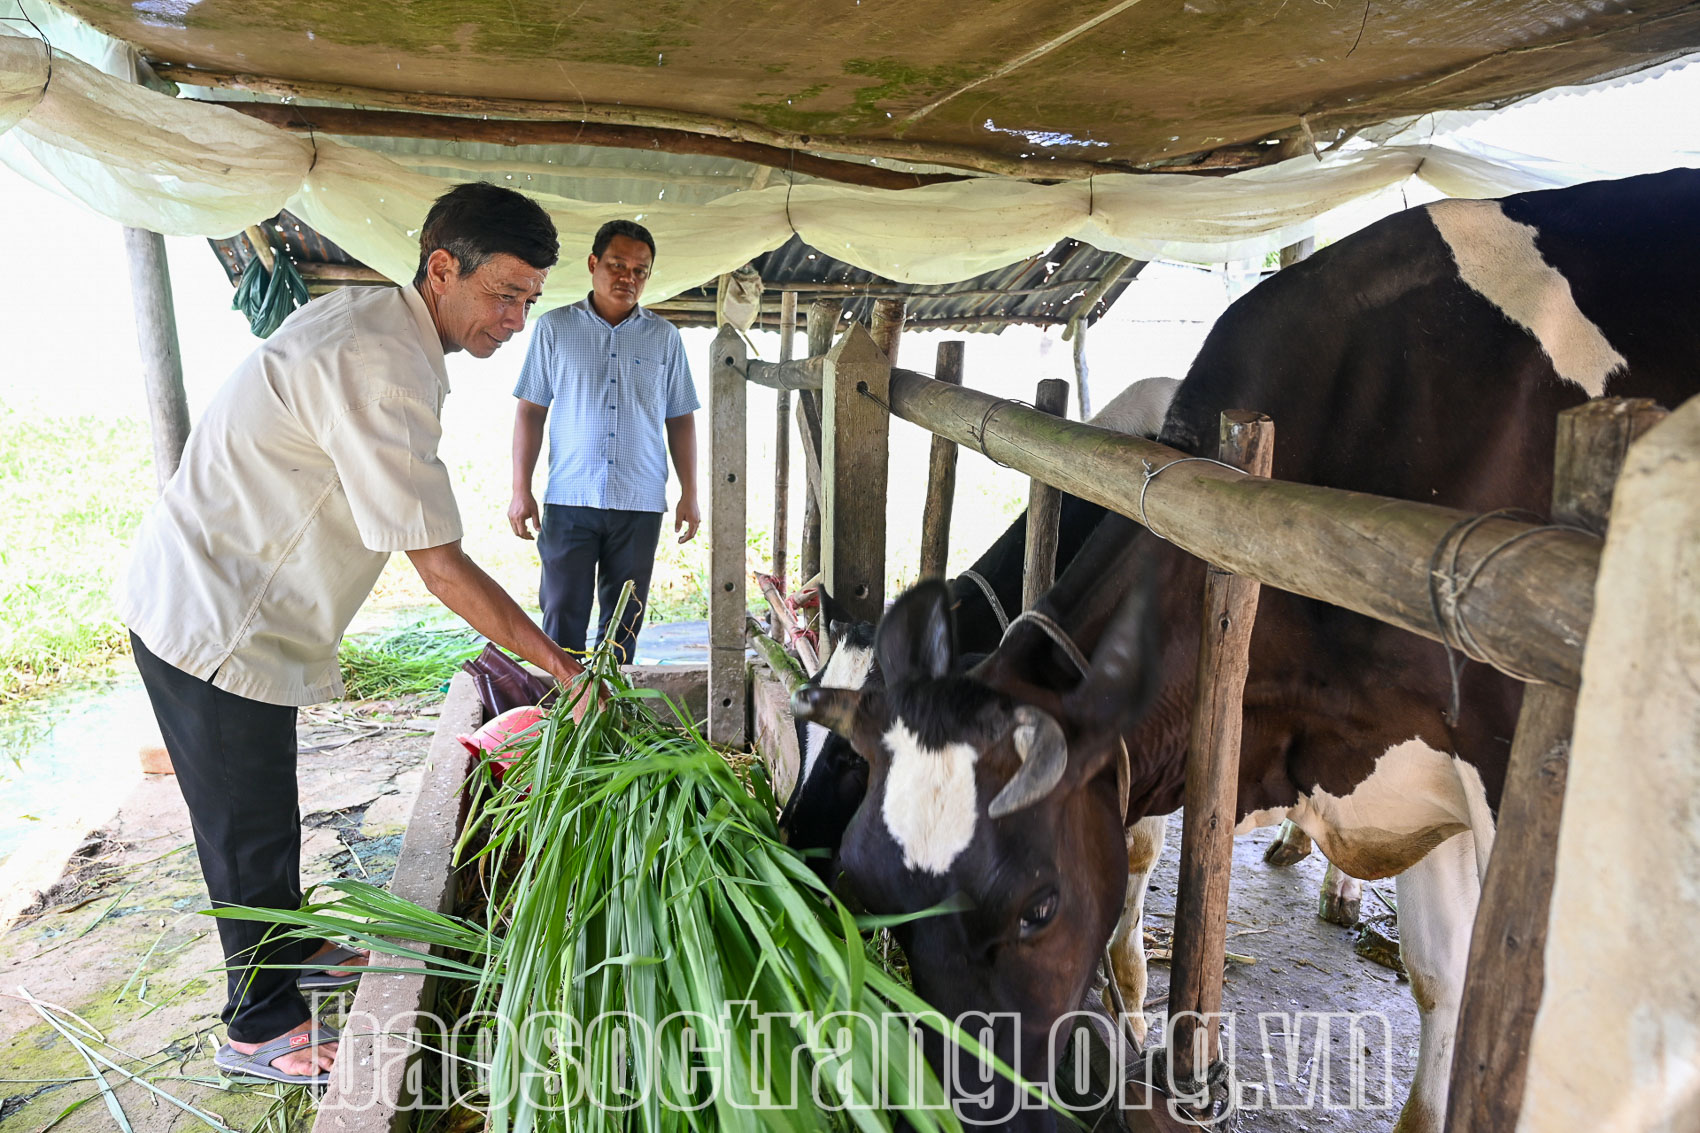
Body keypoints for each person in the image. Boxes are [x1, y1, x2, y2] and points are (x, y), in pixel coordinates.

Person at [121, 182, 587, 1087]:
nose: (516, 319)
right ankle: (258, 1026)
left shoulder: (382, 328)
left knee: (263, 804)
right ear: (441, 268)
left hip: (236, 602)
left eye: (530, 300)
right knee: (244, 824)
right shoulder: (382, 360)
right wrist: (557, 666)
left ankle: (287, 950)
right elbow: (440, 564)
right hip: (213, 616)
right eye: (504, 295)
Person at [507, 219, 700, 664]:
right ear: (594, 263)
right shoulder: (555, 329)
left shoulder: (665, 338)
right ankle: (563, 715)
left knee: (624, 620)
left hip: (640, 499)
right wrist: (521, 489)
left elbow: (681, 419)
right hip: (570, 497)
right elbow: (530, 410)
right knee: (560, 612)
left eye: (639, 270)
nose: (627, 278)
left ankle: (609, 717)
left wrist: (690, 492)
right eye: (616, 265)